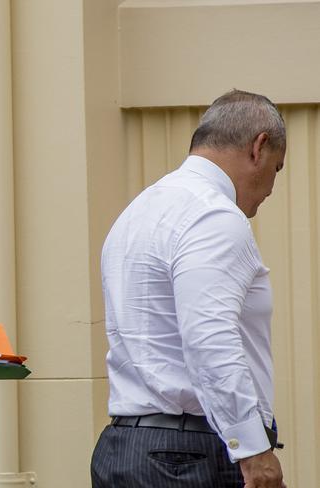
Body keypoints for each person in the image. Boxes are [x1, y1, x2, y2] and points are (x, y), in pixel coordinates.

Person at [91, 90, 287, 488]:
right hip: (189, 457)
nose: (270, 189)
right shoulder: (214, 215)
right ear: (258, 147)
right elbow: (208, 337)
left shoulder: (138, 212)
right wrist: (253, 450)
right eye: (277, 169)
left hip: (124, 448)